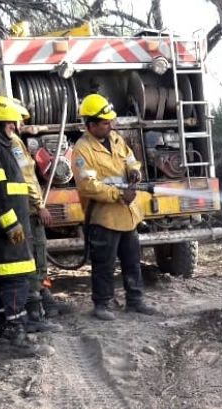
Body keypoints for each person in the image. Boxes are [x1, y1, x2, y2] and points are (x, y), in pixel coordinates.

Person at [0, 95, 53, 357]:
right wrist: (11, 225)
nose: (14, 127)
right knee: (15, 281)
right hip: (2, 231)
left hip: (1, 229)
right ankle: (17, 337)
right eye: (11, 122)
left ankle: (5, 335)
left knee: (2, 281)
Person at [70, 93, 157, 320]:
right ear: (91, 125)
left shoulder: (116, 139)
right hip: (104, 216)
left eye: (111, 121)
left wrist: (134, 170)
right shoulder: (82, 150)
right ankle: (102, 304)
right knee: (104, 264)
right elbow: (88, 186)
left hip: (127, 214)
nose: (111, 125)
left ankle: (135, 301)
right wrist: (119, 194)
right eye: (105, 122)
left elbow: (130, 160)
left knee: (132, 260)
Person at [9, 99, 73, 324]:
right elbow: (26, 177)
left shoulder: (13, 140)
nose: (20, 123)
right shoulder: (14, 144)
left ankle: (43, 297)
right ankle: (35, 308)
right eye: (18, 119)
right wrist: (40, 205)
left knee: (37, 254)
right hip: (28, 209)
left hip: (24, 208)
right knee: (35, 252)